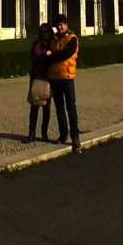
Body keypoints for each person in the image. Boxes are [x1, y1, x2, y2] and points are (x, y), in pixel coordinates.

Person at [47, 13, 81, 151]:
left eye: (61, 24)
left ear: (66, 25)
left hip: (67, 77)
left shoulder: (72, 39)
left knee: (71, 108)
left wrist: (52, 55)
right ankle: (63, 134)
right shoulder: (54, 39)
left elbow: (66, 54)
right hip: (55, 78)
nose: (59, 27)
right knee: (59, 108)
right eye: (57, 25)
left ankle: (75, 137)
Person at [26, 23, 54, 143]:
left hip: (48, 78)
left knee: (46, 108)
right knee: (34, 107)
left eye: (47, 32)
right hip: (37, 77)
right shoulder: (37, 45)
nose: (45, 35)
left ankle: (44, 133)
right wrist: (44, 54)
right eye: (43, 32)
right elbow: (34, 59)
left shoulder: (52, 44)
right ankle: (31, 133)